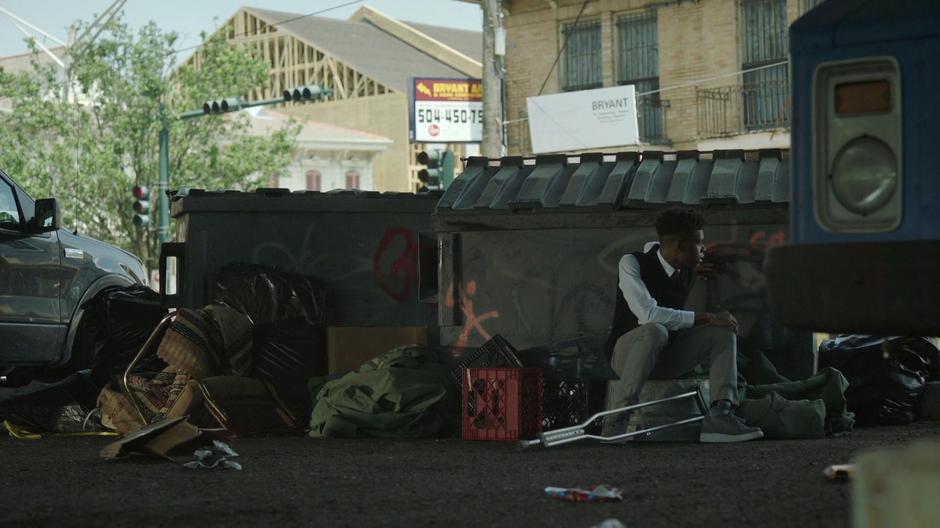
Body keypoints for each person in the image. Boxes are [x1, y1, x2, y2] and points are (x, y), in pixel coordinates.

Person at [603, 209, 763, 443]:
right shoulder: (631, 263)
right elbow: (649, 314)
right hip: (626, 357)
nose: (703, 249)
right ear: (679, 246)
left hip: (667, 357)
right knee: (655, 329)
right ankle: (617, 419)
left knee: (723, 329)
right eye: (699, 243)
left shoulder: (686, 266)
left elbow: (664, 251)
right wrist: (706, 316)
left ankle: (720, 416)